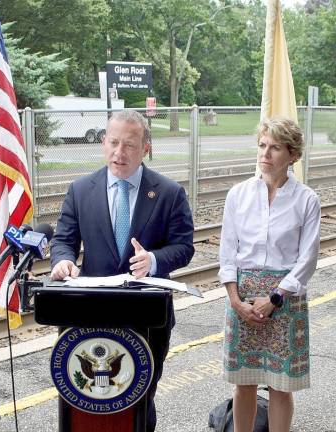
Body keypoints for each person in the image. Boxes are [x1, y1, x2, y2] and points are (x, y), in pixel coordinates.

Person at [50, 109, 195, 431]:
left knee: (139, 397)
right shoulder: (81, 190)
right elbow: (63, 241)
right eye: (113, 142)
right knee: (90, 401)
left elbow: (184, 248)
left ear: (145, 147)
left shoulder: (169, 193)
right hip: (89, 316)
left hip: (148, 317)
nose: (119, 152)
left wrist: (154, 261)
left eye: (129, 145)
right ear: (103, 143)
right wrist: (62, 260)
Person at [218, 117, 321, 432]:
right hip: (244, 298)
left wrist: (275, 298)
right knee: (244, 382)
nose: (265, 153)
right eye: (262, 145)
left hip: (284, 299)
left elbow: (308, 259)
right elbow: (227, 253)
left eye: (275, 147)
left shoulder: (306, 199)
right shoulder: (238, 194)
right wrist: (236, 301)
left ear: (292, 154)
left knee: (280, 385)